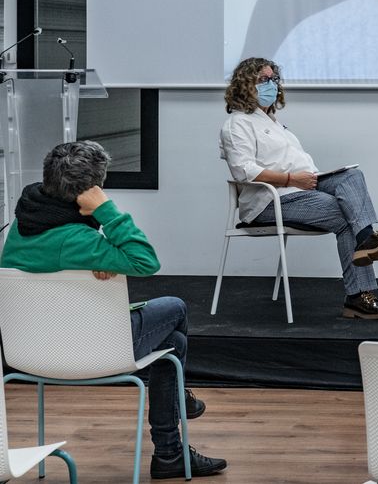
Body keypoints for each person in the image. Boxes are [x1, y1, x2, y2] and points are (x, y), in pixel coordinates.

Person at [0, 141, 227, 479]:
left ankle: (173, 446)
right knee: (176, 309)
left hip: (29, 351)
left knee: (173, 346)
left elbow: (58, 255)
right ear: (91, 191)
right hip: (88, 350)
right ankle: (170, 445)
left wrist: (100, 254)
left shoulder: (20, 226)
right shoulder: (81, 241)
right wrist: (106, 211)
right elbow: (146, 261)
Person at [219, 57, 378, 319]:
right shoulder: (237, 124)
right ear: (245, 84)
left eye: (273, 79)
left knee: (352, 176)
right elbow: (244, 170)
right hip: (270, 201)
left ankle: (367, 239)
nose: (271, 84)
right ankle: (358, 295)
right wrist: (291, 180)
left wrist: (304, 180)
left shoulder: (274, 123)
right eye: (263, 79)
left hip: (303, 188)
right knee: (346, 215)